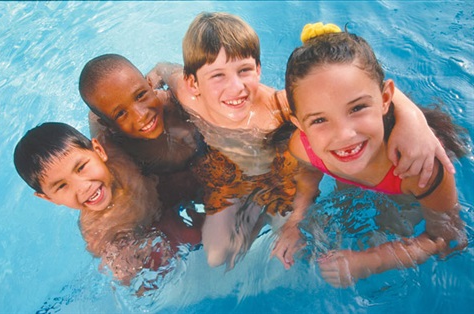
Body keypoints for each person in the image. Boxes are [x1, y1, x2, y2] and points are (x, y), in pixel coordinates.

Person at [148, 12, 455, 269]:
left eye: (244, 70)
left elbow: (450, 237)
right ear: (195, 83)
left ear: (258, 69)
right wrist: (158, 71)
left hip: (288, 174)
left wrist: (414, 119)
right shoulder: (188, 96)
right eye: (217, 76)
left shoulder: (279, 107)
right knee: (217, 257)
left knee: (378, 231)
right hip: (243, 175)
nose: (236, 87)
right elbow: (170, 70)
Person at [283, 22, 467, 287]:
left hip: (402, 196)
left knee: (392, 225)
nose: (344, 134)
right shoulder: (303, 146)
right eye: (320, 120)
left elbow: (448, 237)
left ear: (385, 98)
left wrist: (373, 261)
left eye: (357, 108)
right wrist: (296, 219)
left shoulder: (419, 168)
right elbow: (307, 173)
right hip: (354, 190)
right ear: (300, 125)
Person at [13, 122, 203, 287]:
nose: (83, 187)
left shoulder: (116, 153)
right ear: (48, 198)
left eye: (81, 168)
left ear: (99, 150)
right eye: (62, 186)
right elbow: (128, 277)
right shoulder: (100, 231)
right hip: (155, 227)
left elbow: (98, 109)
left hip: (167, 191)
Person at [79, 54, 206, 209]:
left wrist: (165, 71)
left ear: (150, 84)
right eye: (121, 113)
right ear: (108, 124)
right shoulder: (116, 148)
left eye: (140, 95)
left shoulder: (175, 102)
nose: (141, 115)